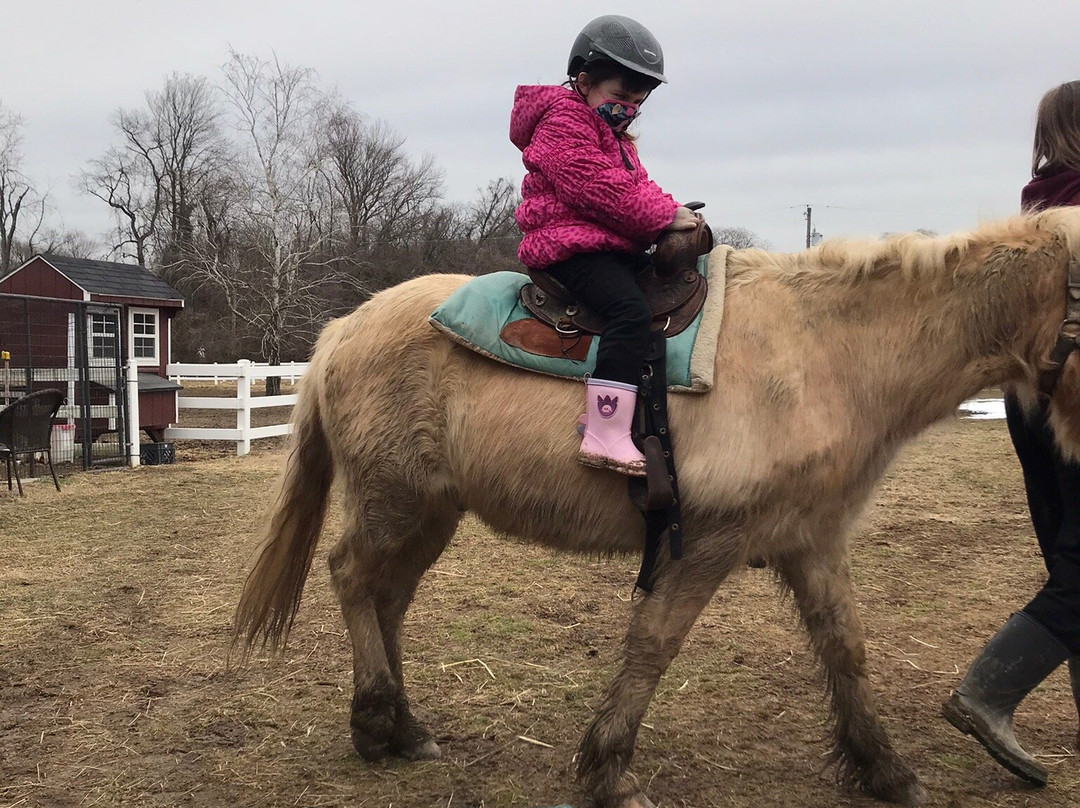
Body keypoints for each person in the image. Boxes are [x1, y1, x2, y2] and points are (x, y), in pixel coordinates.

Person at [941, 79, 1080, 786]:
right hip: (1076, 395)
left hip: (1029, 397)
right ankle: (989, 692)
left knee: (1070, 553)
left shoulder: (1037, 206)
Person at [509, 14, 699, 476]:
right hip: (571, 247)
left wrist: (674, 212)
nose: (628, 108)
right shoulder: (562, 123)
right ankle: (604, 429)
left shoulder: (616, 137)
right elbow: (598, 190)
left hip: (606, 244)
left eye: (637, 101)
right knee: (629, 311)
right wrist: (663, 217)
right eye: (619, 97)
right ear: (584, 79)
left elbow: (638, 186)